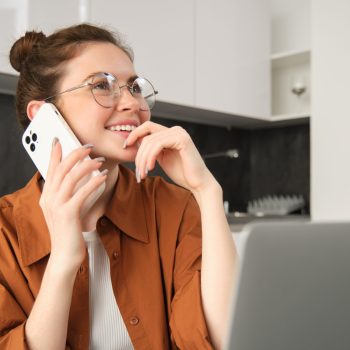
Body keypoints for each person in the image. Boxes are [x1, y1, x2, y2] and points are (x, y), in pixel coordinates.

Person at [0, 23, 237, 350]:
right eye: (101, 85)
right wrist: (64, 260)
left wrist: (207, 192)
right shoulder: (4, 231)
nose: (132, 103)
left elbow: (225, 339)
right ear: (44, 115)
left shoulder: (172, 207)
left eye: (134, 87)